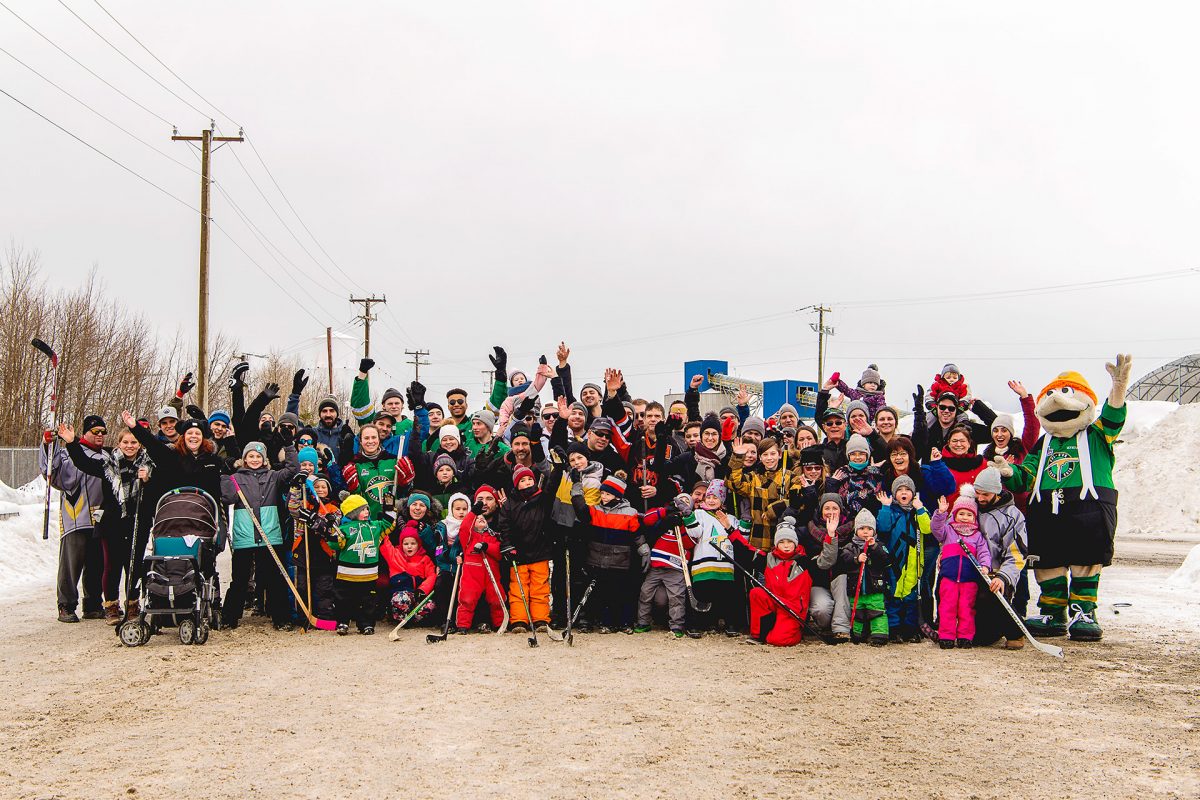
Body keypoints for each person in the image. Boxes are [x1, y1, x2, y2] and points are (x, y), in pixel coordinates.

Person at [58, 421, 145, 625]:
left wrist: (147, 478)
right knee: (111, 566)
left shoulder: (148, 465)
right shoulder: (109, 464)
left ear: (140, 445)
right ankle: (111, 607)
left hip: (136, 521)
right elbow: (83, 462)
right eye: (125, 442)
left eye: (134, 442)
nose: (129, 445)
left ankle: (133, 605)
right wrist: (72, 443)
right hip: (112, 522)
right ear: (118, 444)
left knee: (134, 566)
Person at [220, 441, 300, 631]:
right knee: (239, 579)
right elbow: (228, 498)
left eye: (258, 456)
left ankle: (281, 618)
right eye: (251, 456)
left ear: (264, 459)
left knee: (274, 578)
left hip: (270, 535)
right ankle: (230, 617)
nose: (255, 460)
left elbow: (293, 470)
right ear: (245, 459)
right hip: (245, 535)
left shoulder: (274, 476)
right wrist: (223, 476)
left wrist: (288, 446)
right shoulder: (235, 478)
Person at [41, 416, 106, 622]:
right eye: (95, 432)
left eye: (103, 432)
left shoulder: (107, 456)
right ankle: (66, 605)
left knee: (97, 564)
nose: (100, 436)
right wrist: (47, 444)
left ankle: (93, 604)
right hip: (76, 517)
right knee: (71, 565)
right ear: (86, 432)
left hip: (100, 519)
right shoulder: (71, 453)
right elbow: (50, 471)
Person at [498, 462, 563, 632]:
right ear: (516, 484)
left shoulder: (542, 498)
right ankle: (520, 620)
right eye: (523, 480)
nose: (527, 483)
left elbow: (552, 486)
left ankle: (540, 619)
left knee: (540, 588)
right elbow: (504, 526)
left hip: (540, 551)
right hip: (518, 553)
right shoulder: (510, 504)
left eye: (529, 479)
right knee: (518, 589)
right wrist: (507, 545)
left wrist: (558, 469)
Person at [970, 467, 1029, 649]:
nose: (980, 498)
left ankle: (1016, 631)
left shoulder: (1012, 516)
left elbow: (1017, 554)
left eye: (985, 494)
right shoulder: (967, 507)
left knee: (984, 636)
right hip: (968, 572)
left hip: (995, 575)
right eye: (977, 493)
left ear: (996, 491)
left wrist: (1003, 577)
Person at [682, 480, 748, 637]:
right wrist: (688, 516)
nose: (711, 500)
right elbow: (695, 533)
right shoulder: (700, 514)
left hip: (725, 565)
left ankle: (729, 623)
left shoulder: (730, 518)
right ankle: (697, 624)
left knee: (725, 596)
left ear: (722, 500)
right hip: (702, 563)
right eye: (708, 497)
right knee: (702, 594)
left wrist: (745, 520)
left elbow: (741, 539)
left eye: (715, 497)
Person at [329, 494, 395, 635]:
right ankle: (343, 622)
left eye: (367, 509)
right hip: (346, 574)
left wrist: (389, 509)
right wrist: (333, 529)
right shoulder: (345, 528)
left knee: (368, 600)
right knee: (343, 599)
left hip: (368, 574)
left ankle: (366, 624)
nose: (367, 512)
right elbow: (335, 544)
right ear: (353, 512)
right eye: (363, 509)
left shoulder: (375, 526)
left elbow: (389, 525)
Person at [741, 516, 812, 647]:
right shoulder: (768, 558)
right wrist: (730, 530)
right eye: (782, 542)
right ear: (776, 544)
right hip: (775, 602)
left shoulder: (804, 561)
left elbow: (826, 560)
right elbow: (745, 551)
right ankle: (758, 635)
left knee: (778, 640)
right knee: (756, 593)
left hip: (792, 609)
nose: (786, 546)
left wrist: (831, 537)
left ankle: (795, 630)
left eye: (790, 542)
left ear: (795, 543)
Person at [931, 494, 991, 649]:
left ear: (974, 517)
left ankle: (965, 636)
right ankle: (946, 636)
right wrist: (941, 513)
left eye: (969, 514)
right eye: (961, 513)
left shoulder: (977, 536)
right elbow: (935, 528)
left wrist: (985, 566)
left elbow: (984, 552)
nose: (965, 517)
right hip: (949, 578)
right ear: (955, 514)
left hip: (969, 579)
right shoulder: (948, 531)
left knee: (966, 608)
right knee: (947, 607)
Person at [875, 476, 930, 643]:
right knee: (893, 596)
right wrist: (885, 506)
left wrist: (920, 509)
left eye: (907, 490)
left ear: (913, 494)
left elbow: (928, 529)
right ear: (894, 494)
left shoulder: (918, 511)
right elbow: (882, 527)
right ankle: (894, 629)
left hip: (913, 563)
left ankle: (910, 630)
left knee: (911, 598)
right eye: (900, 490)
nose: (903, 493)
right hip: (894, 561)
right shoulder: (890, 511)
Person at [635, 494, 693, 637]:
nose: (682, 504)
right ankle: (643, 622)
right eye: (680, 501)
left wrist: (683, 525)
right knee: (645, 593)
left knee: (676, 597)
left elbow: (690, 544)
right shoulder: (663, 514)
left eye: (686, 502)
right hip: (656, 564)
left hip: (676, 566)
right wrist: (666, 511)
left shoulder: (689, 521)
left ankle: (676, 626)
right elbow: (648, 519)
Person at [836, 509, 891, 646]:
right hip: (856, 589)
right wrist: (856, 558)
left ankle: (879, 635)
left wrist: (874, 548)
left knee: (877, 612)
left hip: (875, 588)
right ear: (856, 530)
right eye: (861, 528)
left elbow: (886, 559)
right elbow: (843, 558)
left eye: (869, 529)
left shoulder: (879, 545)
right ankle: (857, 634)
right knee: (858, 613)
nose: (865, 532)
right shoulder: (850, 546)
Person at [455, 496, 508, 633]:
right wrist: (473, 513)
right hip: (472, 574)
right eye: (477, 519)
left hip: (491, 574)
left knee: (497, 598)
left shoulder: (493, 537)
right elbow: (464, 528)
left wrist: (486, 546)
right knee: (467, 599)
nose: (480, 520)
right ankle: (463, 625)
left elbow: (498, 552)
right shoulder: (468, 538)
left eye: (483, 519)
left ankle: (499, 624)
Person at [380, 521, 438, 625]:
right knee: (401, 599)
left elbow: (431, 575)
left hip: (417, 595)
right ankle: (400, 618)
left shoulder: (424, 559)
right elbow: (385, 545)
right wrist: (384, 527)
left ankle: (412, 620)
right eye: (406, 544)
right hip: (401, 594)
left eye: (413, 543)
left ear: (418, 544)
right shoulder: (395, 555)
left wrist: (423, 589)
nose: (409, 547)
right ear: (401, 544)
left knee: (430, 605)